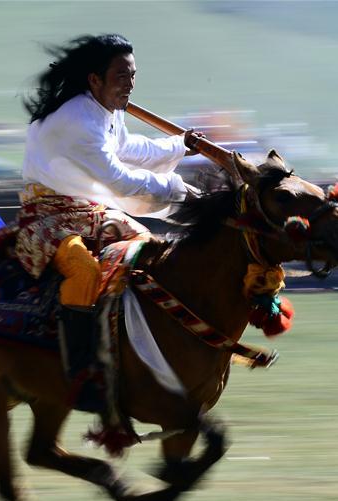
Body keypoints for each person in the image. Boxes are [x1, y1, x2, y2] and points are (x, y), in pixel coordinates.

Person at [18, 33, 202, 407]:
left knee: (148, 249)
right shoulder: (77, 120)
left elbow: (131, 149)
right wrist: (176, 188)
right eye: (121, 76)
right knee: (84, 272)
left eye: (133, 75)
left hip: (88, 210)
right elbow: (118, 177)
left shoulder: (106, 112)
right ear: (95, 80)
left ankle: (127, 346)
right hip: (49, 216)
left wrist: (180, 143)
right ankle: (81, 369)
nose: (130, 85)